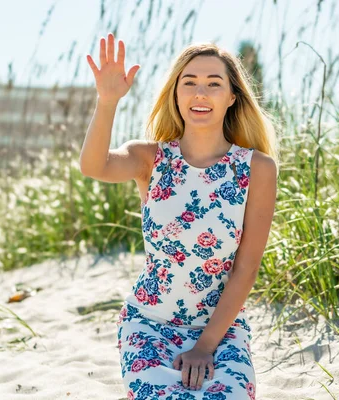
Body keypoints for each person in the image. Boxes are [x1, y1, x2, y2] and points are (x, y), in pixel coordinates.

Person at [80, 33, 278, 399]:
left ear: (232, 97)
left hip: (220, 329)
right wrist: (107, 102)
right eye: (189, 83)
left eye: (213, 84)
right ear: (175, 93)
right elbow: (94, 166)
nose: (200, 93)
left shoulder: (257, 168)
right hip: (148, 324)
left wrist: (205, 346)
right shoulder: (150, 158)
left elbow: (246, 268)